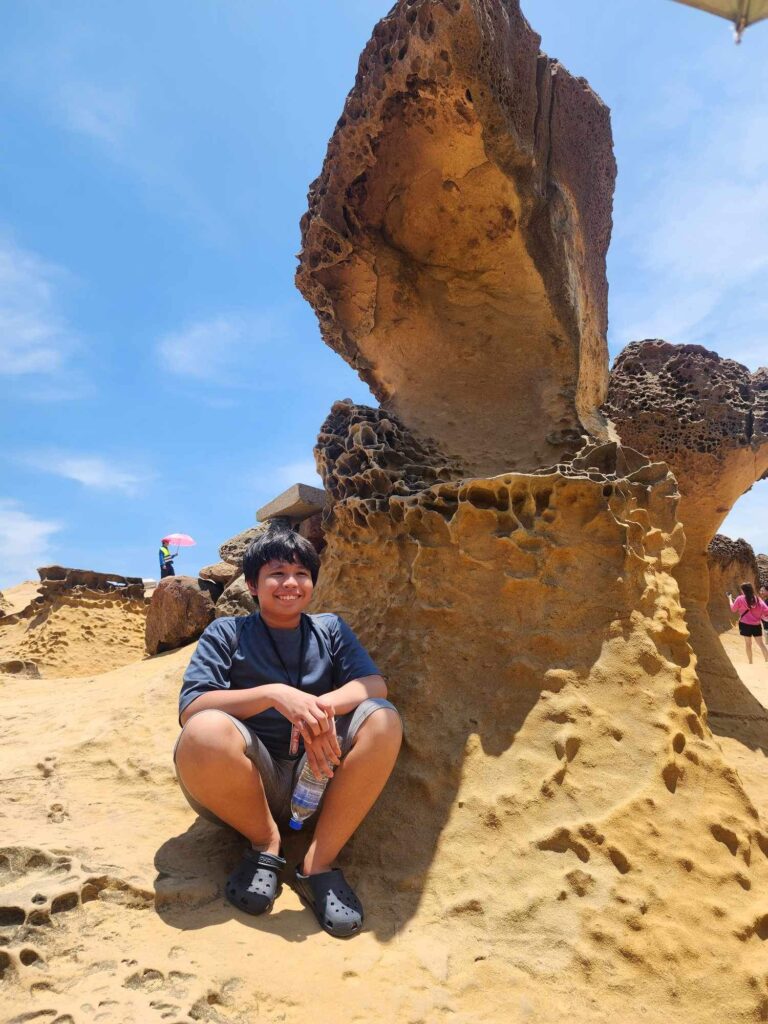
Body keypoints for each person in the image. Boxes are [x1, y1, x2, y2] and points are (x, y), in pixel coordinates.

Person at [172, 527, 402, 938]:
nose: (290, 583)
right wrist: (276, 695)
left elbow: (373, 684)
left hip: (318, 776)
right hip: (245, 786)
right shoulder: (227, 633)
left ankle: (318, 865)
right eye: (277, 573)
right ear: (252, 585)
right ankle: (265, 846)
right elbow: (193, 707)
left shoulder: (330, 629)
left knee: (382, 717)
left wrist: (318, 711)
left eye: (301, 573)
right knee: (205, 731)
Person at [728, 582, 768, 665]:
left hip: (745, 625)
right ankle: (767, 661)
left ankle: (750, 663)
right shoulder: (757, 599)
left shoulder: (740, 598)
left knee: (748, 644)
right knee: (761, 644)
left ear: (743, 590)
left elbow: (733, 609)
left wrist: (730, 599)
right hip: (756, 625)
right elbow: (766, 611)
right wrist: (759, 614)